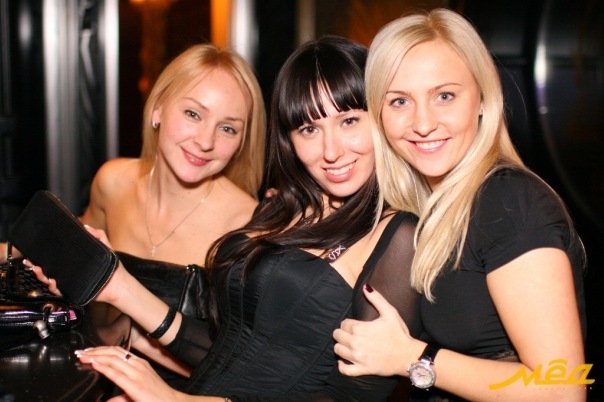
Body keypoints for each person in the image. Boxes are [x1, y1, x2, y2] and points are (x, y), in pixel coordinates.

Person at [32, 36, 420, 400]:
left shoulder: (398, 236)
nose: (331, 150)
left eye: (349, 121)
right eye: (308, 128)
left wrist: (173, 399)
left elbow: (351, 397)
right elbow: (226, 351)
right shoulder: (283, 210)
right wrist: (118, 287)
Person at [333, 8, 587, 401]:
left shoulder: (509, 201)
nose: (423, 123)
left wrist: (413, 359)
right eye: (399, 101)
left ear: (483, 99)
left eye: (445, 96)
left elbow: (561, 389)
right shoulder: (438, 208)